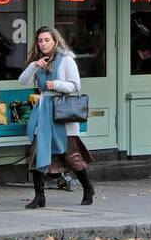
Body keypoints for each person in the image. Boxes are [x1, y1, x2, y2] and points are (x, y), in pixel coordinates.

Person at [20, 26, 95, 209]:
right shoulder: (37, 62)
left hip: (62, 112)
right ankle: (39, 196)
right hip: (44, 110)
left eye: (47, 40)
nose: (43, 43)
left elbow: (75, 85)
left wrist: (56, 84)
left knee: (70, 155)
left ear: (55, 40)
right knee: (38, 153)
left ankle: (88, 187)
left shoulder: (66, 59)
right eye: (40, 41)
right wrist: (34, 66)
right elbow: (22, 81)